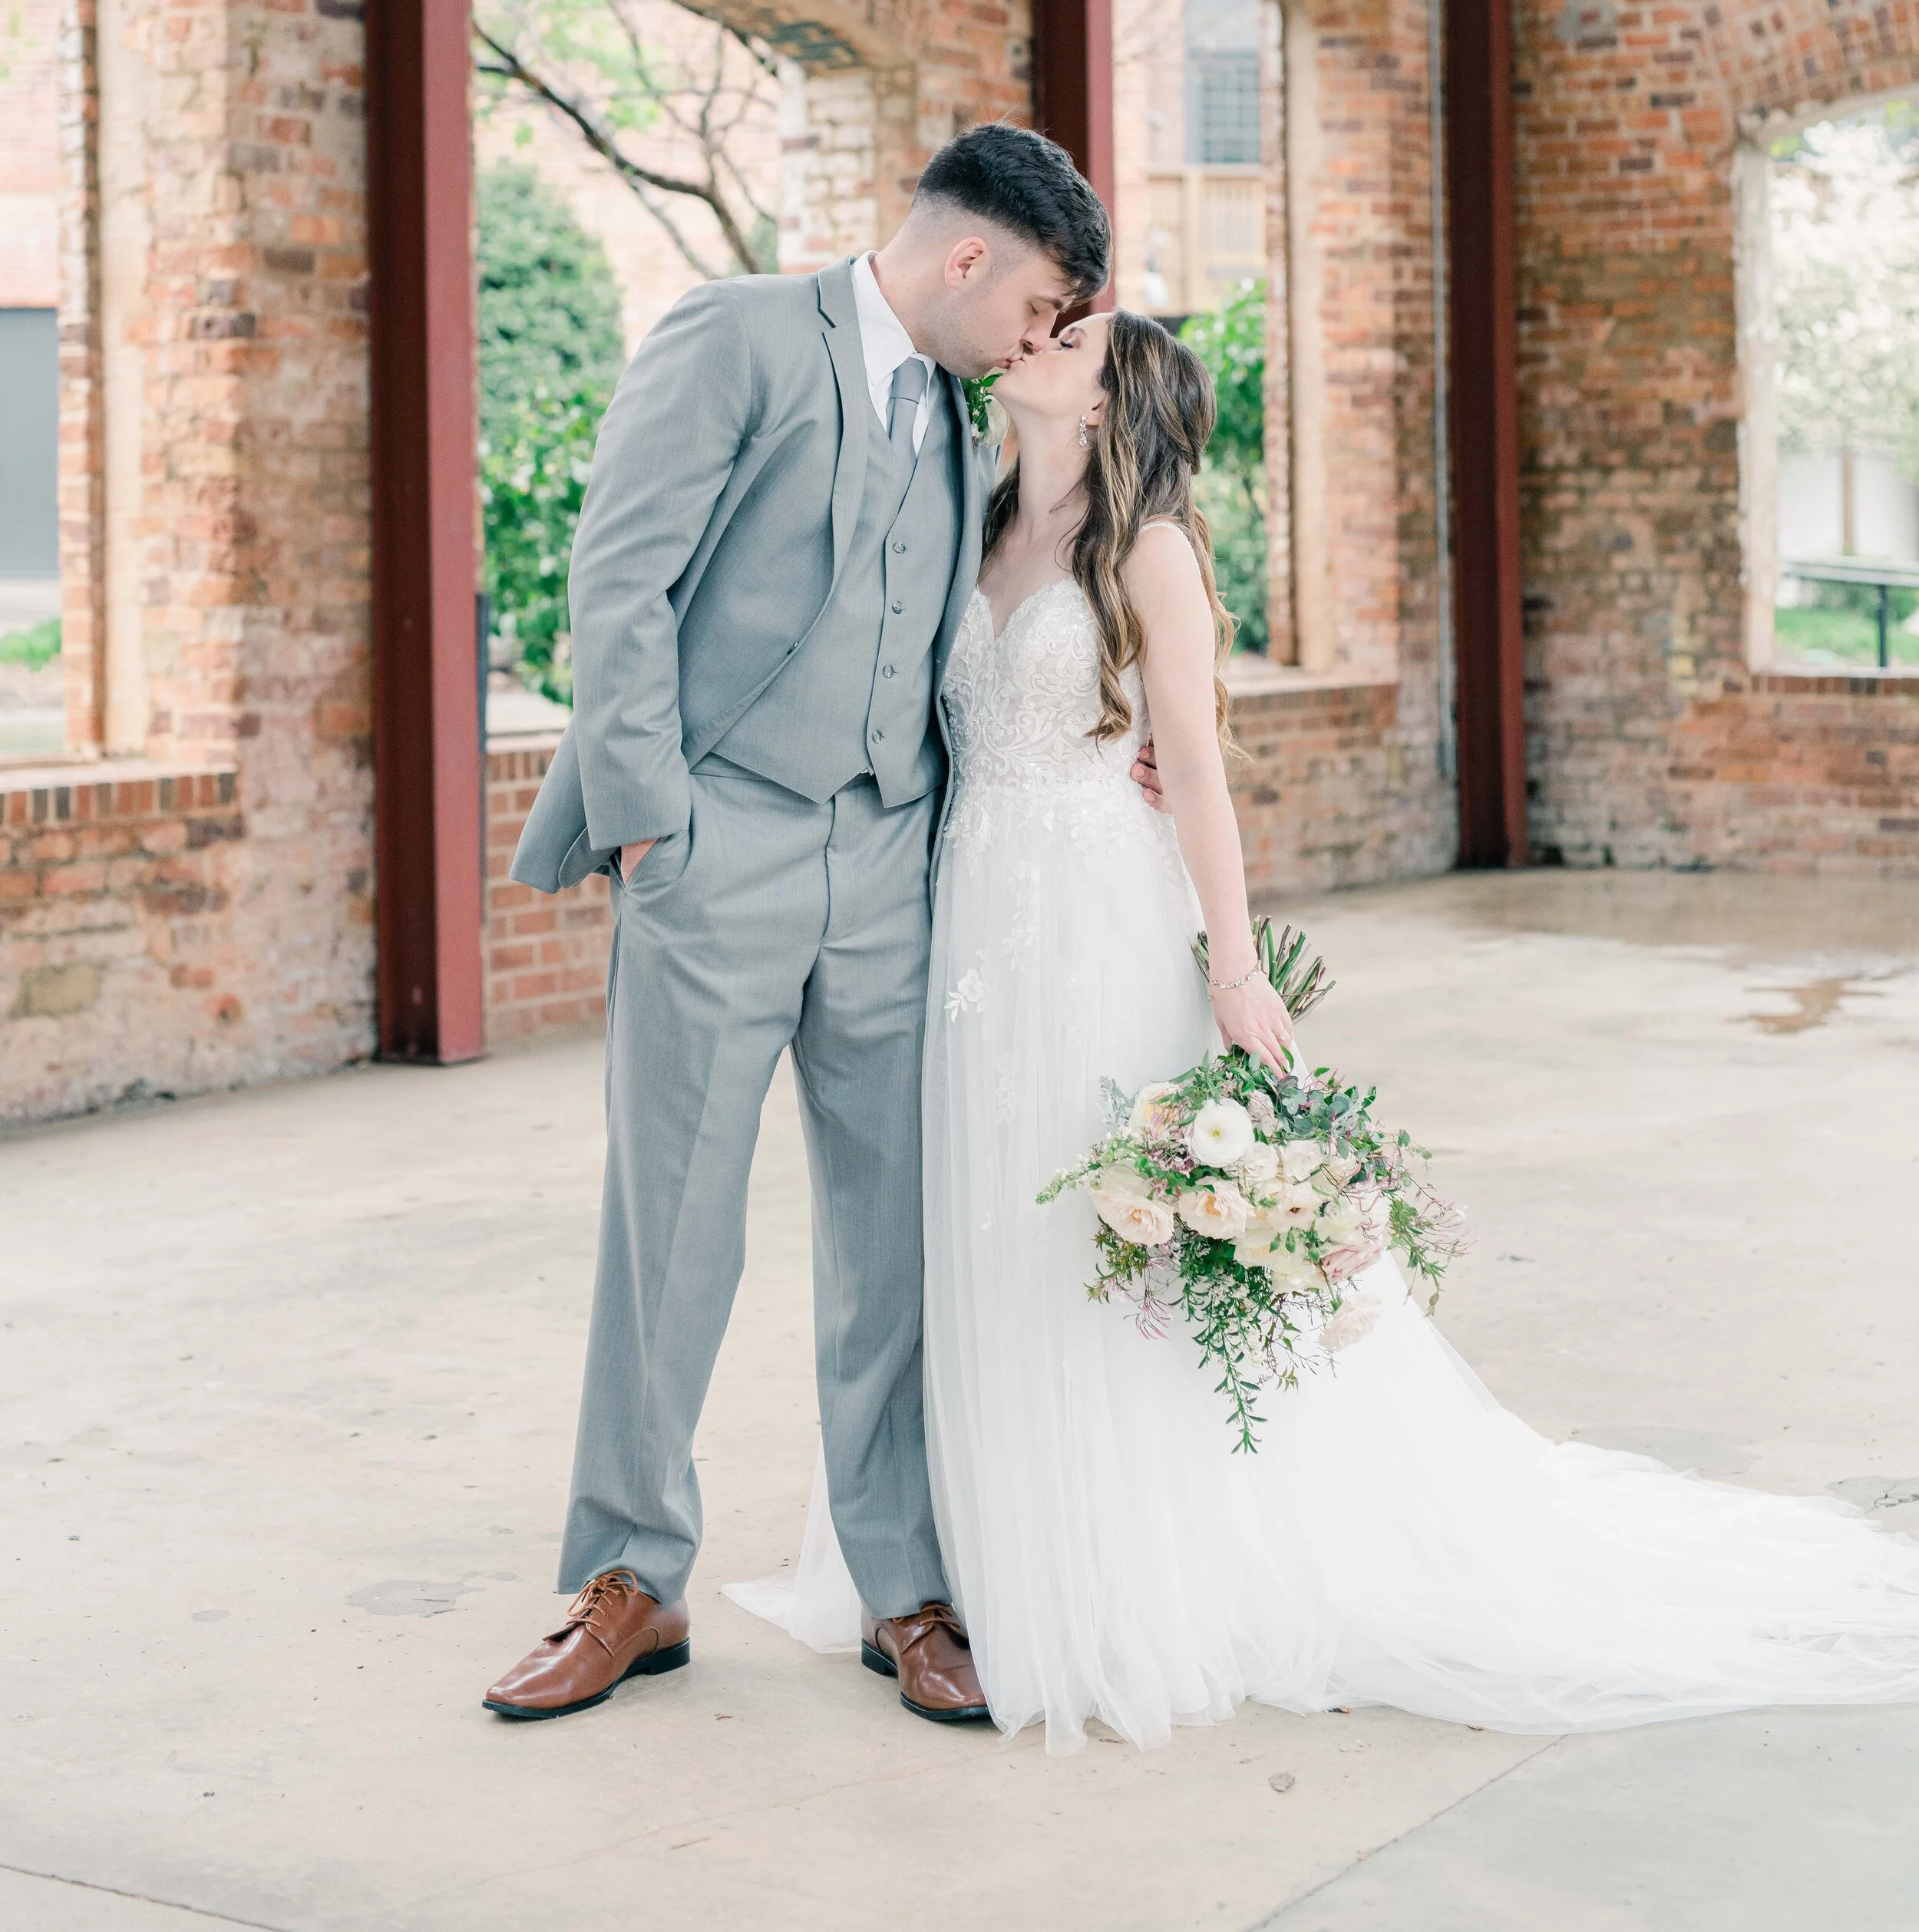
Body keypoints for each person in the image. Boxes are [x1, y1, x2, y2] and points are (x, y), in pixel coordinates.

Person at [737, 308, 1919, 1753]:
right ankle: (978, 1549)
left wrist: (1236, 971)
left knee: (1097, 1230)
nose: (1037, 340)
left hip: (1100, 916)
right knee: (985, 1221)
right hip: (966, 915)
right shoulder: (970, 524)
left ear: (1110, 406)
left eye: (1073, 338)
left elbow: (1205, 779)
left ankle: (1126, 1561)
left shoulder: (1150, 557)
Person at [482, 125, 1115, 1726]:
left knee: (895, 1240)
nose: (1035, 338)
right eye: (1034, 300)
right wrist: (651, 825)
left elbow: (991, 614)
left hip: (894, 863)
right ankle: (633, 1573)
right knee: (673, 1227)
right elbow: (616, 576)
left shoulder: (972, 418)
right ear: (964, 256)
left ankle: (898, 1578)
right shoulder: (738, 334)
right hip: (719, 846)